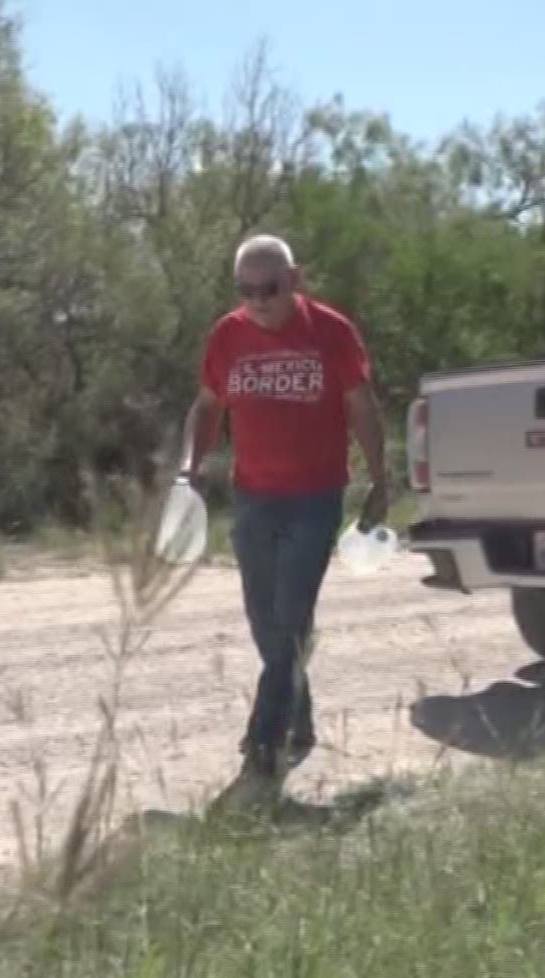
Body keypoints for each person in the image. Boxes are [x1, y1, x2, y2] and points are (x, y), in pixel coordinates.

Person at [177, 234, 390, 796]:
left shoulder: (332, 332)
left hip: (315, 497)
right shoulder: (228, 335)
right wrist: (186, 470)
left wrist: (381, 480)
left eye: (268, 290)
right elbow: (205, 407)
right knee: (266, 622)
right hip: (253, 496)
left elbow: (361, 407)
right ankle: (299, 721)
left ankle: (263, 745)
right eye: (245, 292)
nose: (257, 303)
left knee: (293, 616)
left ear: (294, 280)